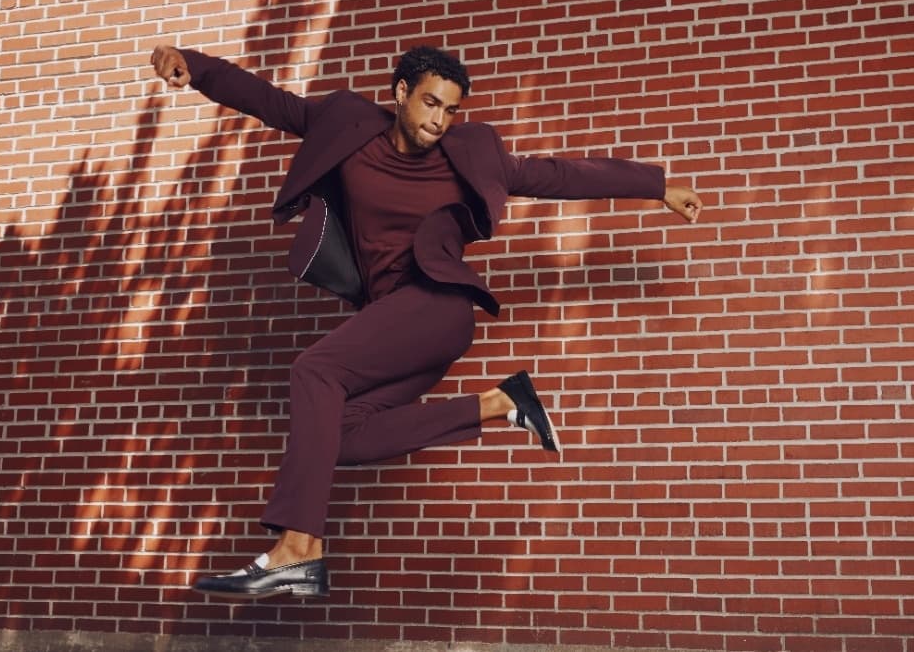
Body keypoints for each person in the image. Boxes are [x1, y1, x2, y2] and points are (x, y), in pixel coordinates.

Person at [150, 43, 703, 600]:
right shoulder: (347, 126)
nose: (439, 120)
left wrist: (655, 187)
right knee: (336, 436)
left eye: (450, 110)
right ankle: (500, 402)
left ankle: (297, 549)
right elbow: (270, 101)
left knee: (314, 372)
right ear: (400, 95)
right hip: (392, 317)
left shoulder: (469, 156)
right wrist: (195, 66)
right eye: (430, 104)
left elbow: (557, 175)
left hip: (437, 305)